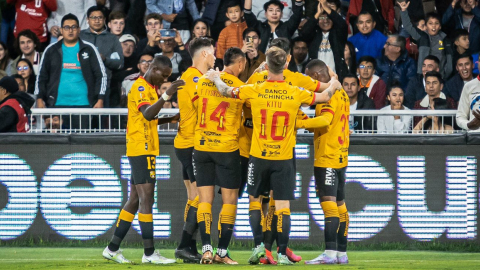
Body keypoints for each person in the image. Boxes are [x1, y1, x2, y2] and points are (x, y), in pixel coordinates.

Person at [206, 46, 341, 265]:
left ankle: (259, 247)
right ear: (286, 65)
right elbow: (325, 96)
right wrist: (334, 81)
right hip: (284, 157)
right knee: (282, 206)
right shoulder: (295, 91)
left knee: (255, 201)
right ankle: (281, 252)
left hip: (258, 156)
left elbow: (226, 91)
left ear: (266, 66)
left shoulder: (255, 88)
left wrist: (214, 78)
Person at [103, 55, 185, 264]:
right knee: (147, 200)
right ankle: (149, 253)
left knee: (134, 200)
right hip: (142, 148)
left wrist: (171, 118)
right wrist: (167, 94)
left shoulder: (150, 88)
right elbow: (147, 114)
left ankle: (112, 249)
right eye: (163, 76)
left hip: (143, 147)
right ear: (154, 69)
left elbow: (150, 118)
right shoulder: (140, 87)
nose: (164, 80)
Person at [192, 47, 246, 264]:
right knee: (229, 201)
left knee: (205, 200)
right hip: (226, 148)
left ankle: (205, 249)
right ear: (240, 64)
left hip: (202, 145)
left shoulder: (202, 80)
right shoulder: (240, 87)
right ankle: (221, 253)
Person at [173, 37, 216, 264]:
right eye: (213, 53)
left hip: (186, 141)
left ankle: (187, 247)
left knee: (193, 198)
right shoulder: (193, 78)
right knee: (201, 197)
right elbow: (205, 106)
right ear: (204, 55)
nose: (216, 57)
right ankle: (184, 245)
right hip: (191, 143)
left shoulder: (190, 77)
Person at [304, 59, 350, 266]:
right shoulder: (341, 92)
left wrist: (299, 123)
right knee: (340, 205)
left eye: (307, 77)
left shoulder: (328, 95)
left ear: (315, 77)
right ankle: (341, 252)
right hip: (340, 155)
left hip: (327, 157)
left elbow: (325, 120)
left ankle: (330, 252)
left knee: (329, 205)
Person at [35, 14, 107, 110]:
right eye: (66, 27)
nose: (70, 30)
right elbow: (42, 76)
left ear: (79, 29)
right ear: (61, 30)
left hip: (84, 104)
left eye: (74, 27)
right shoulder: (51, 50)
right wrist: (39, 99)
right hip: (56, 104)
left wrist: (100, 99)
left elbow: (101, 75)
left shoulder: (89, 48)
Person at [80, 5, 124, 108]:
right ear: (87, 19)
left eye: (100, 17)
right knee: (82, 121)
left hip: (104, 87)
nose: (97, 20)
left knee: (101, 121)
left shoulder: (112, 39)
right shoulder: (80, 36)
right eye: (93, 17)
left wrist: (104, 59)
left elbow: (120, 63)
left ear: (104, 20)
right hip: (80, 85)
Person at [399, 1, 453, 79]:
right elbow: (408, 27)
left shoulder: (445, 40)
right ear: (426, 26)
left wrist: (444, 76)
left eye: (436, 23)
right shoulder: (422, 36)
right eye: (430, 23)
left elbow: (449, 62)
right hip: (423, 77)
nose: (433, 26)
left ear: (440, 26)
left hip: (440, 77)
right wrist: (404, 11)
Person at [300, 0, 348, 79]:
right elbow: (304, 32)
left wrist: (326, 7)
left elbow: (342, 25)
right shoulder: (314, 34)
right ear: (317, 21)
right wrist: (318, 13)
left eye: (328, 17)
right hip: (315, 81)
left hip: (335, 78)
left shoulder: (338, 33)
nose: (325, 20)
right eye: (322, 18)